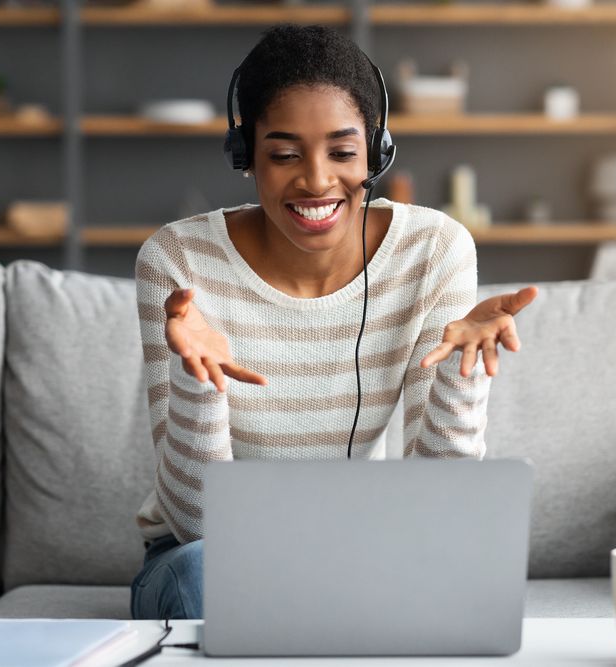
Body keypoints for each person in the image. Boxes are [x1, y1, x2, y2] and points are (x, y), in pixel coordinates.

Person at [129, 24, 538, 621]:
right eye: (284, 155)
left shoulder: (433, 250)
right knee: (205, 575)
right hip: (202, 558)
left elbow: (438, 510)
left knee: (454, 577)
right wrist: (198, 383)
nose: (317, 180)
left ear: (376, 152)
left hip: (359, 546)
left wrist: (460, 373)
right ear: (246, 156)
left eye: (343, 153)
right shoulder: (178, 261)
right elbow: (197, 526)